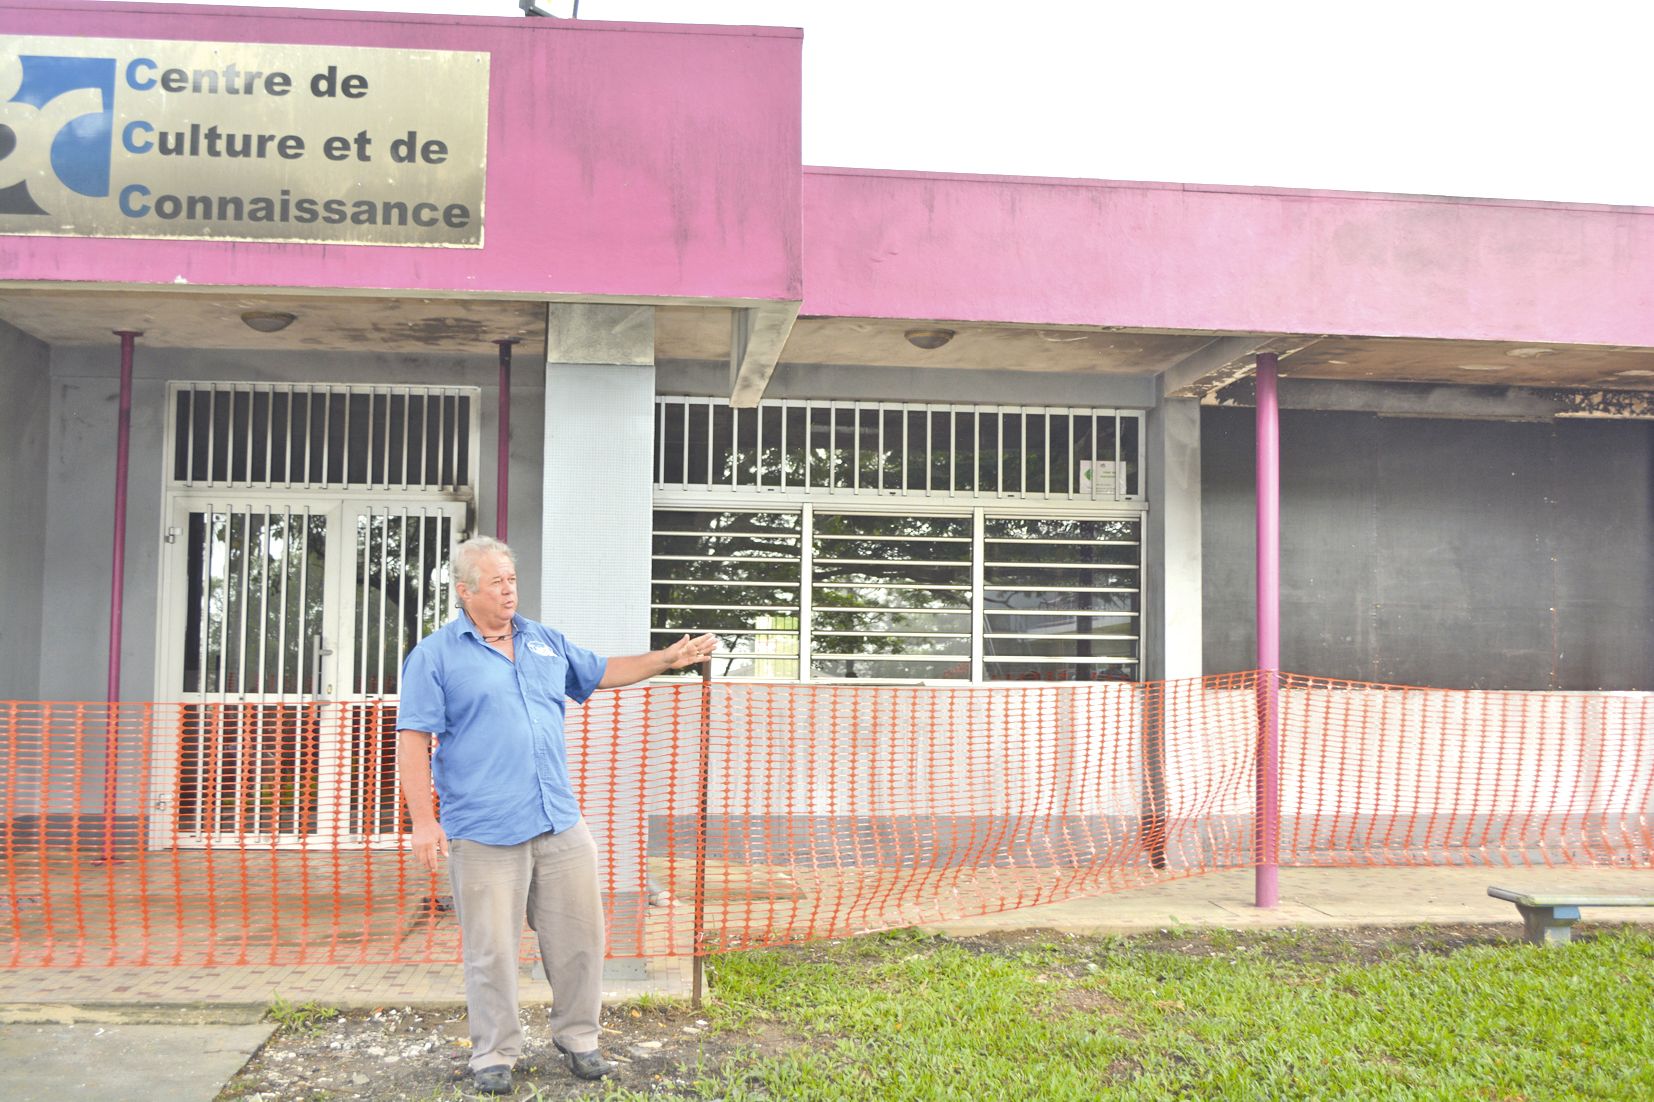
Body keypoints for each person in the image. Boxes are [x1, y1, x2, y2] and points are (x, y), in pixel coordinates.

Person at [396, 535, 715, 1094]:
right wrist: (424, 821)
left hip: (558, 820)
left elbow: (600, 670)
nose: (509, 589)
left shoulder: (542, 641)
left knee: (580, 939)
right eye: (496, 581)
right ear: (466, 591)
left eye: (512, 579)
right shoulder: (435, 656)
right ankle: (494, 1053)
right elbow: (413, 740)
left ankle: (579, 1038)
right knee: (492, 950)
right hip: (485, 829)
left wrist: (667, 659)